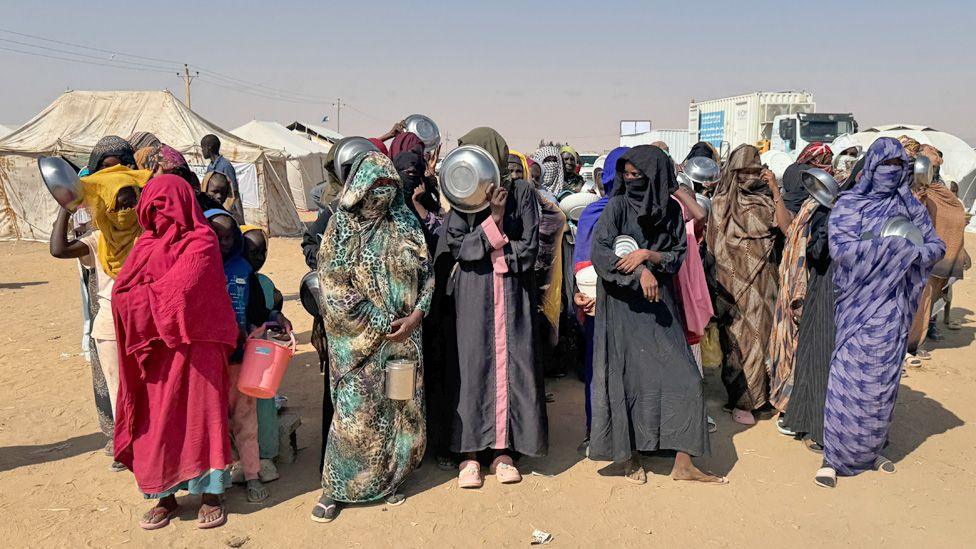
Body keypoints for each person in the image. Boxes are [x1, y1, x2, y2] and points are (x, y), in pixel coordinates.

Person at [587, 145, 724, 484]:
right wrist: (639, 273)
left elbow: (677, 254)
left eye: (638, 175)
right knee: (628, 379)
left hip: (659, 304)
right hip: (621, 306)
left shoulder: (671, 211)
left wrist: (649, 256)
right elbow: (600, 252)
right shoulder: (618, 206)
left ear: (655, 177)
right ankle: (629, 456)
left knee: (687, 379)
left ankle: (683, 464)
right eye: (627, 175)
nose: (631, 180)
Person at [111, 174, 239, 530]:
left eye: (166, 206)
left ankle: (211, 494)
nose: (160, 215)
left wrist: (142, 298)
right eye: (152, 208)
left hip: (200, 347)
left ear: (184, 205)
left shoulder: (202, 240)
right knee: (158, 420)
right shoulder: (144, 245)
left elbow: (179, 294)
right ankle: (163, 495)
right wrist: (143, 299)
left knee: (203, 419)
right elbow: (120, 294)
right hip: (155, 351)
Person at [310, 151, 432, 522]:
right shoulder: (342, 225)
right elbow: (333, 286)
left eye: (389, 185)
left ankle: (392, 480)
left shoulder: (404, 221)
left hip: (404, 342)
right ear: (360, 186)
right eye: (376, 185)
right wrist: (379, 321)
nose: (382, 192)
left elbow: (427, 275)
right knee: (354, 418)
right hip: (359, 345)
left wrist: (416, 314)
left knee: (399, 413)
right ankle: (337, 489)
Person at [817, 137, 944, 488]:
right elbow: (840, 250)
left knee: (880, 384)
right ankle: (833, 458)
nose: (891, 171)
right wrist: (891, 247)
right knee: (847, 380)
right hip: (857, 307)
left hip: (893, 309)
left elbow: (935, 246)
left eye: (898, 165)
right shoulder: (850, 205)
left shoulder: (910, 207)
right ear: (871, 167)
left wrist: (911, 251)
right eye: (885, 164)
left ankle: (870, 452)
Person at [445, 127, 545, 489]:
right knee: (474, 365)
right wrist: (495, 220)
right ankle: (470, 455)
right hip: (474, 294)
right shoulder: (462, 196)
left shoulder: (522, 192)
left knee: (512, 363)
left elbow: (530, 248)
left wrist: (493, 250)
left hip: (512, 291)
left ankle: (503, 452)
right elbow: (459, 247)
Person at [50, 164, 151, 472]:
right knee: (118, 388)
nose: (125, 210)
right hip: (109, 325)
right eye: (118, 204)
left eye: (131, 202)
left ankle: (149, 446)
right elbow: (58, 249)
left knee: (148, 385)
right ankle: (127, 447)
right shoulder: (97, 241)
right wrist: (66, 208)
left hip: (145, 322)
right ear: (106, 205)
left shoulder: (147, 236)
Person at [204, 210, 291, 504]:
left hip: (239, 360)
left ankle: (252, 474)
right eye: (215, 236)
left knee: (245, 419)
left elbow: (257, 311)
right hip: (207, 363)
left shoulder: (243, 272)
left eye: (228, 237)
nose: (222, 242)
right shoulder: (196, 267)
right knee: (213, 422)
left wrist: (274, 317)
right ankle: (219, 480)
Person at [782, 158, 865, 453]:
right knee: (821, 356)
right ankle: (816, 426)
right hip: (829, 291)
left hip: (866, 298)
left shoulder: (889, 210)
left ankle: (855, 430)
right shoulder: (834, 206)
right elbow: (816, 252)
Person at [706, 145, 793, 425]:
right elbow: (714, 247)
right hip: (731, 288)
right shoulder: (720, 204)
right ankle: (741, 400)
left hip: (764, 286)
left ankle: (762, 397)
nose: (748, 177)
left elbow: (787, 229)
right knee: (738, 344)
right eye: (742, 172)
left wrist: (775, 191)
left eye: (754, 171)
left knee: (764, 342)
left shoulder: (767, 201)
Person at [572, 147, 628, 441]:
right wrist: (579, 294)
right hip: (598, 303)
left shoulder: (647, 213)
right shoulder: (592, 214)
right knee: (599, 368)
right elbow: (581, 263)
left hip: (633, 304)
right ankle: (597, 432)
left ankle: (631, 438)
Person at [904, 143, 968, 363]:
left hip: (931, 254)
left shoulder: (938, 188)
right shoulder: (906, 187)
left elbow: (952, 213)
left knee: (926, 300)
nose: (934, 166)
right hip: (909, 253)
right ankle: (904, 347)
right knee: (912, 300)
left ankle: (915, 343)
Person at [241, 226, 285, 480]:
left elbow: (271, 313)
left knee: (264, 405)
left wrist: (277, 318)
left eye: (262, 252)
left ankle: (267, 455)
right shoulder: (231, 279)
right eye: (252, 252)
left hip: (260, 358)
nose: (258, 258)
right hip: (237, 356)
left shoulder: (265, 284)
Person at [202, 134, 245, 224]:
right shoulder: (210, 167)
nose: (202, 151)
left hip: (226, 212)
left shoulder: (225, 166)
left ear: (209, 147)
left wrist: (241, 220)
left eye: (203, 148)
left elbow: (234, 193)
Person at [780, 143, 833, 214]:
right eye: (827, 162)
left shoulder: (792, 167)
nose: (829, 165)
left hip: (782, 207)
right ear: (818, 159)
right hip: (797, 212)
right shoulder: (811, 175)